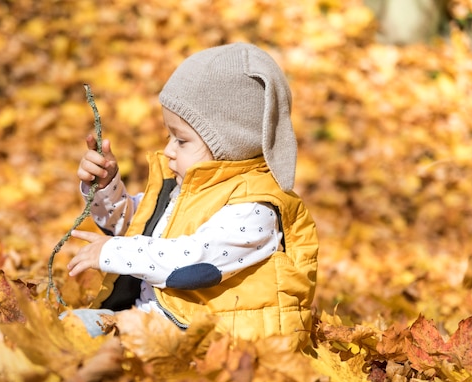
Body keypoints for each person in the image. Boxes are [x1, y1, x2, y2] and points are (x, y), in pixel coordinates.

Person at [64, 43, 318, 347]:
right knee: (71, 330)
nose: (168, 150)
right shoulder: (188, 189)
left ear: (230, 143)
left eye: (181, 140)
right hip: (161, 325)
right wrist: (106, 187)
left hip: (212, 344)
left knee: (76, 332)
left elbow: (192, 264)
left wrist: (114, 252)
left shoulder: (255, 208)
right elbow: (139, 227)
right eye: (169, 136)